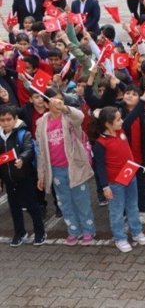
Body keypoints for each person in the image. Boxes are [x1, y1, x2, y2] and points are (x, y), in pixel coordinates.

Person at [35, 89, 96, 246]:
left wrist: (65, 108)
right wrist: (41, 174)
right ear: (46, 104)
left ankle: (88, 230)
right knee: (64, 202)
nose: (57, 104)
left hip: (75, 167)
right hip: (55, 170)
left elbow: (80, 116)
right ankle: (73, 231)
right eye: (54, 101)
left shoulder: (69, 118)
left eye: (60, 100)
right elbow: (41, 151)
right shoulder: (41, 123)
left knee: (81, 200)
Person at [90, 106, 145, 253]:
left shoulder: (121, 131)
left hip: (129, 176)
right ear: (108, 124)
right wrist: (105, 186)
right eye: (118, 119)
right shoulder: (100, 143)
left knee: (133, 206)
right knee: (116, 211)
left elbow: (133, 115)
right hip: (114, 183)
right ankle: (120, 238)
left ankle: (136, 232)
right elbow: (100, 167)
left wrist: (143, 99)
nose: (121, 121)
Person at [0, 105, 45, 247]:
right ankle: (20, 232)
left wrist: (22, 159)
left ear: (15, 119)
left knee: (32, 205)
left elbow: (29, 149)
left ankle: (40, 232)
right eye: (2, 120)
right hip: (8, 179)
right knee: (14, 207)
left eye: (8, 119)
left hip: (24, 177)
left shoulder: (23, 133)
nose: (6, 122)